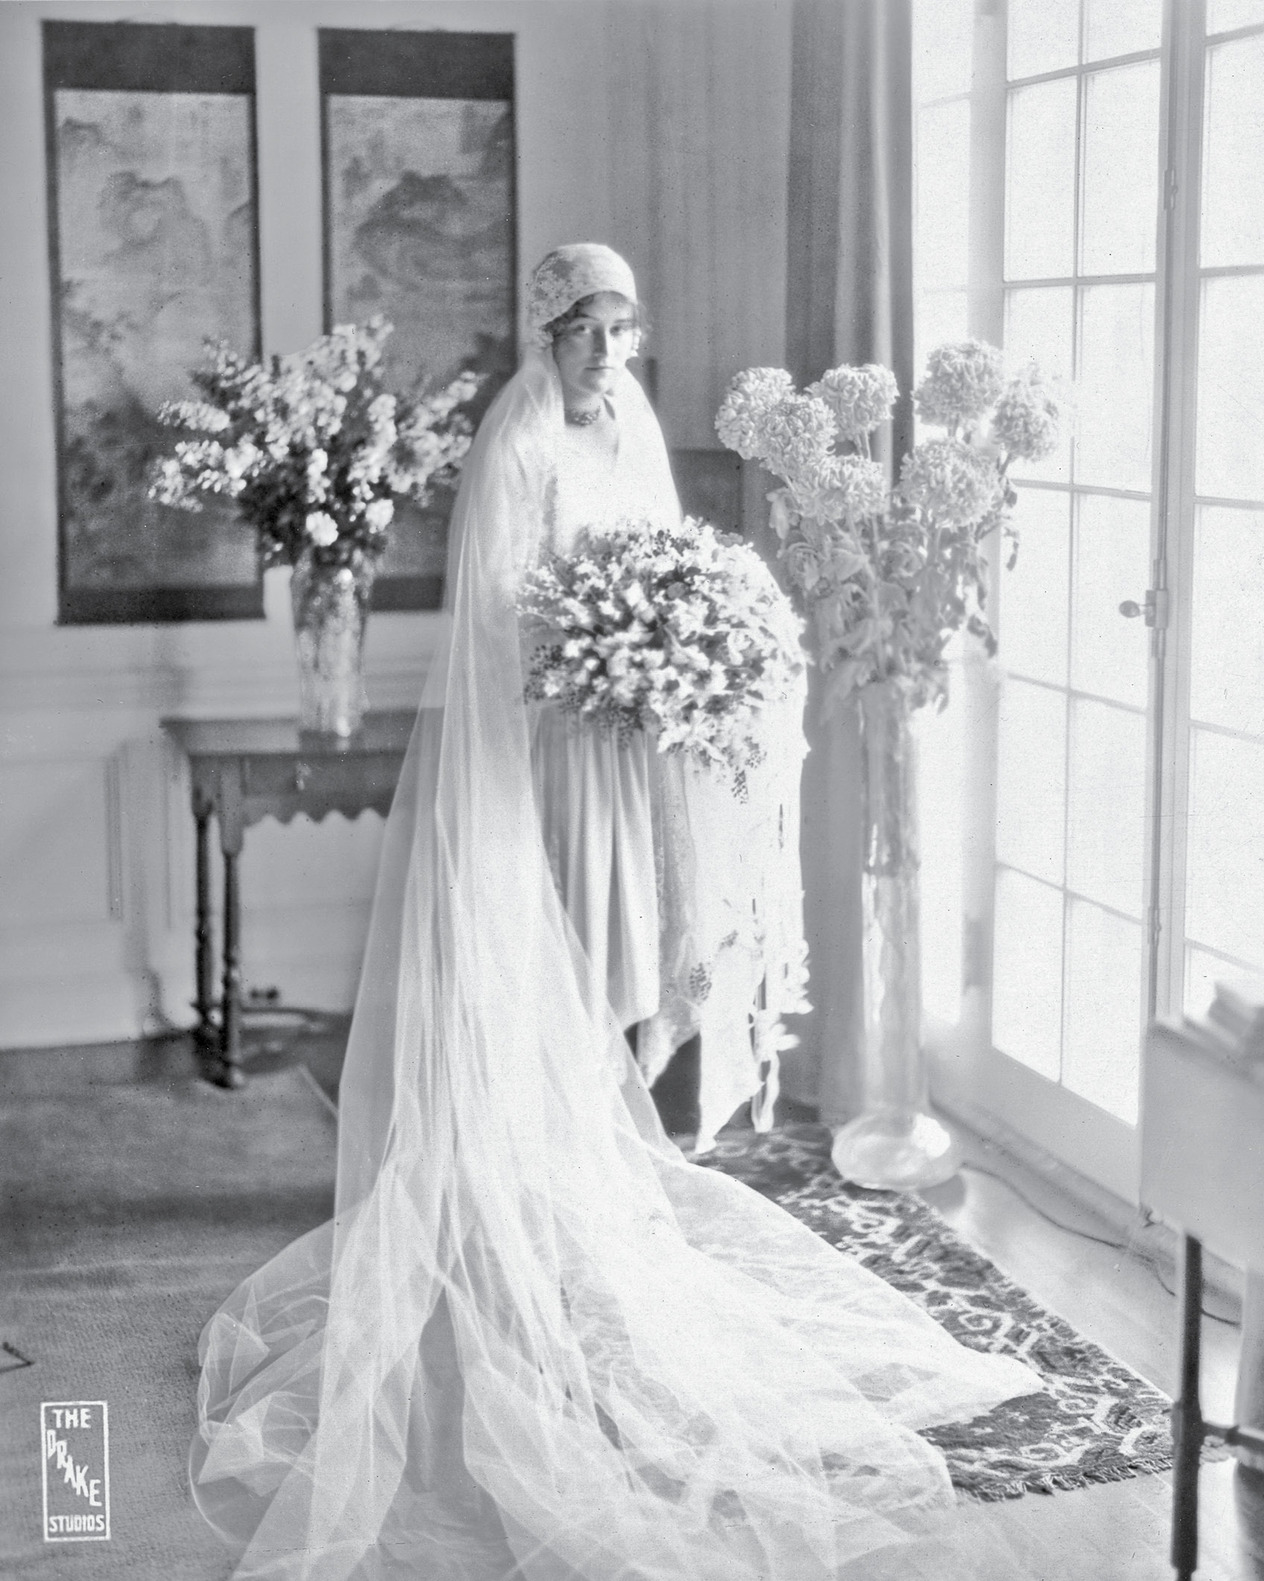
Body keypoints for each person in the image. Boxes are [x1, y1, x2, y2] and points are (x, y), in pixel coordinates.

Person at [188, 245, 1043, 1581]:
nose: (604, 353)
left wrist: (683, 637)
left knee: (619, 970)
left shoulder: (633, 432)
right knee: (551, 968)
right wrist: (593, 640)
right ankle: (516, 1210)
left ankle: (586, 1192)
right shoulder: (517, 445)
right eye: (582, 330)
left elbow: (670, 559)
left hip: (624, 744)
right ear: (544, 336)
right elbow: (491, 627)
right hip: (540, 749)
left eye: (622, 328)